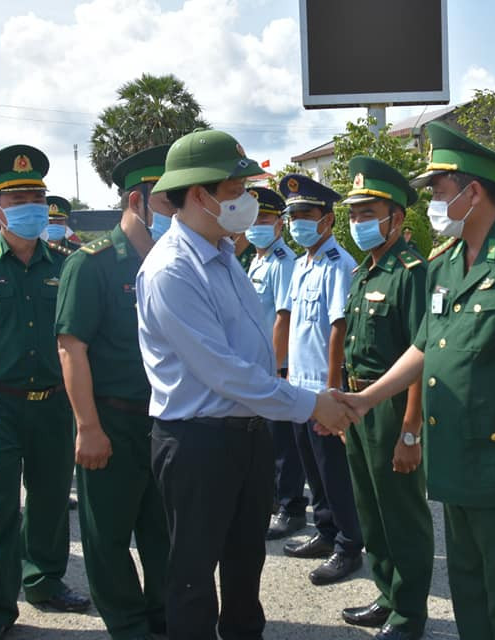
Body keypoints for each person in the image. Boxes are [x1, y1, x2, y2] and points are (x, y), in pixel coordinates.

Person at [333, 122, 495, 640]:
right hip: (456, 467)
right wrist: (364, 399)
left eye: (439, 192)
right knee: (470, 601)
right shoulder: (444, 265)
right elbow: (423, 347)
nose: (433, 204)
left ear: (473, 191)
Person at [135, 128, 356, 640]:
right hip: (197, 442)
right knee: (192, 573)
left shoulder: (223, 255)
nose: (247, 202)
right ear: (199, 195)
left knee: (244, 564)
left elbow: (253, 350)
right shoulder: (172, 269)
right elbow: (225, 372)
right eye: (236, 191)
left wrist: (299, 402)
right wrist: (310, 405)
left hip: (247, 434)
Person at [0, 145, 90, 640]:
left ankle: (45, 581)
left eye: (36, 196)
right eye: (18, 198)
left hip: (54, 402)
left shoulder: (69, 264)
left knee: (51, 501)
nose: (31, 206)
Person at [56, 145, 172, 640]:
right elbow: (71, 349)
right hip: (112, 420)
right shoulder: (93, 263)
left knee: (165, 535)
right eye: (167, 202)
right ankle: (128, 627)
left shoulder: (175, 261)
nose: (177, 211)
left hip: (167, 423)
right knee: (107, 539)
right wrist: (88, 428)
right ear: (136, 201)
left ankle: (166, 620)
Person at [338, 156, 433, 640]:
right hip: (359, 408)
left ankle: (409, 614)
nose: (359, 222)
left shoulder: (412, 272)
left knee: (402, 515)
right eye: (353, 214)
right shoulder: (364, 272)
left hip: (393, 410)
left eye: (368, 213)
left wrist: (411, 430)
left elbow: (422, 352)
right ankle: (386, 594)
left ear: (396, 217)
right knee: (371, 509)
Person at [279, 173, 365, 585]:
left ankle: (349, 545)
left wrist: (333, 392)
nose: (297, 222)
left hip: (323, 391)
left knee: (334, 473)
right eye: (292, 215)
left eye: (306, 214)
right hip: (299, 388)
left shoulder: (339, 264)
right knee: (313, 470)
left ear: (327, 220)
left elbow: (339, 328)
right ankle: (326, 532)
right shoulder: (301, 264)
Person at [243, 187, 309, 540]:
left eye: (265, 219)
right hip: (259, 364)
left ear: (279, 226)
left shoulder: (284, 262)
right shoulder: (258, 259)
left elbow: (283, 317)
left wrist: (279, 367)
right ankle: (273, 498)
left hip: (276, 366)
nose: (257, 225)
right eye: (253, 219)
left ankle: (291, 507)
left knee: (282, 443)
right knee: (267, 440)